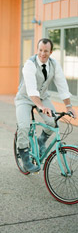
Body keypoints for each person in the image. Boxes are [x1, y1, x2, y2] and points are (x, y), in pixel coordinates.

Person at [15, 37, 76, 171]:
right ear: (37, 50)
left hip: (42, 97)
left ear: (51, 52)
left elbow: (62, 86)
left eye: (46, 51)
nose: (42, 54)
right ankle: (24, 155)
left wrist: (69, 107)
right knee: (24, 126)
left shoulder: (54, 64)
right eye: (40, 50)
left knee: (54, 122)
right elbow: (31, 89)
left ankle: (41, 140)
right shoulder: (29, 64)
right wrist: (42, 108)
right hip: (24, 98)